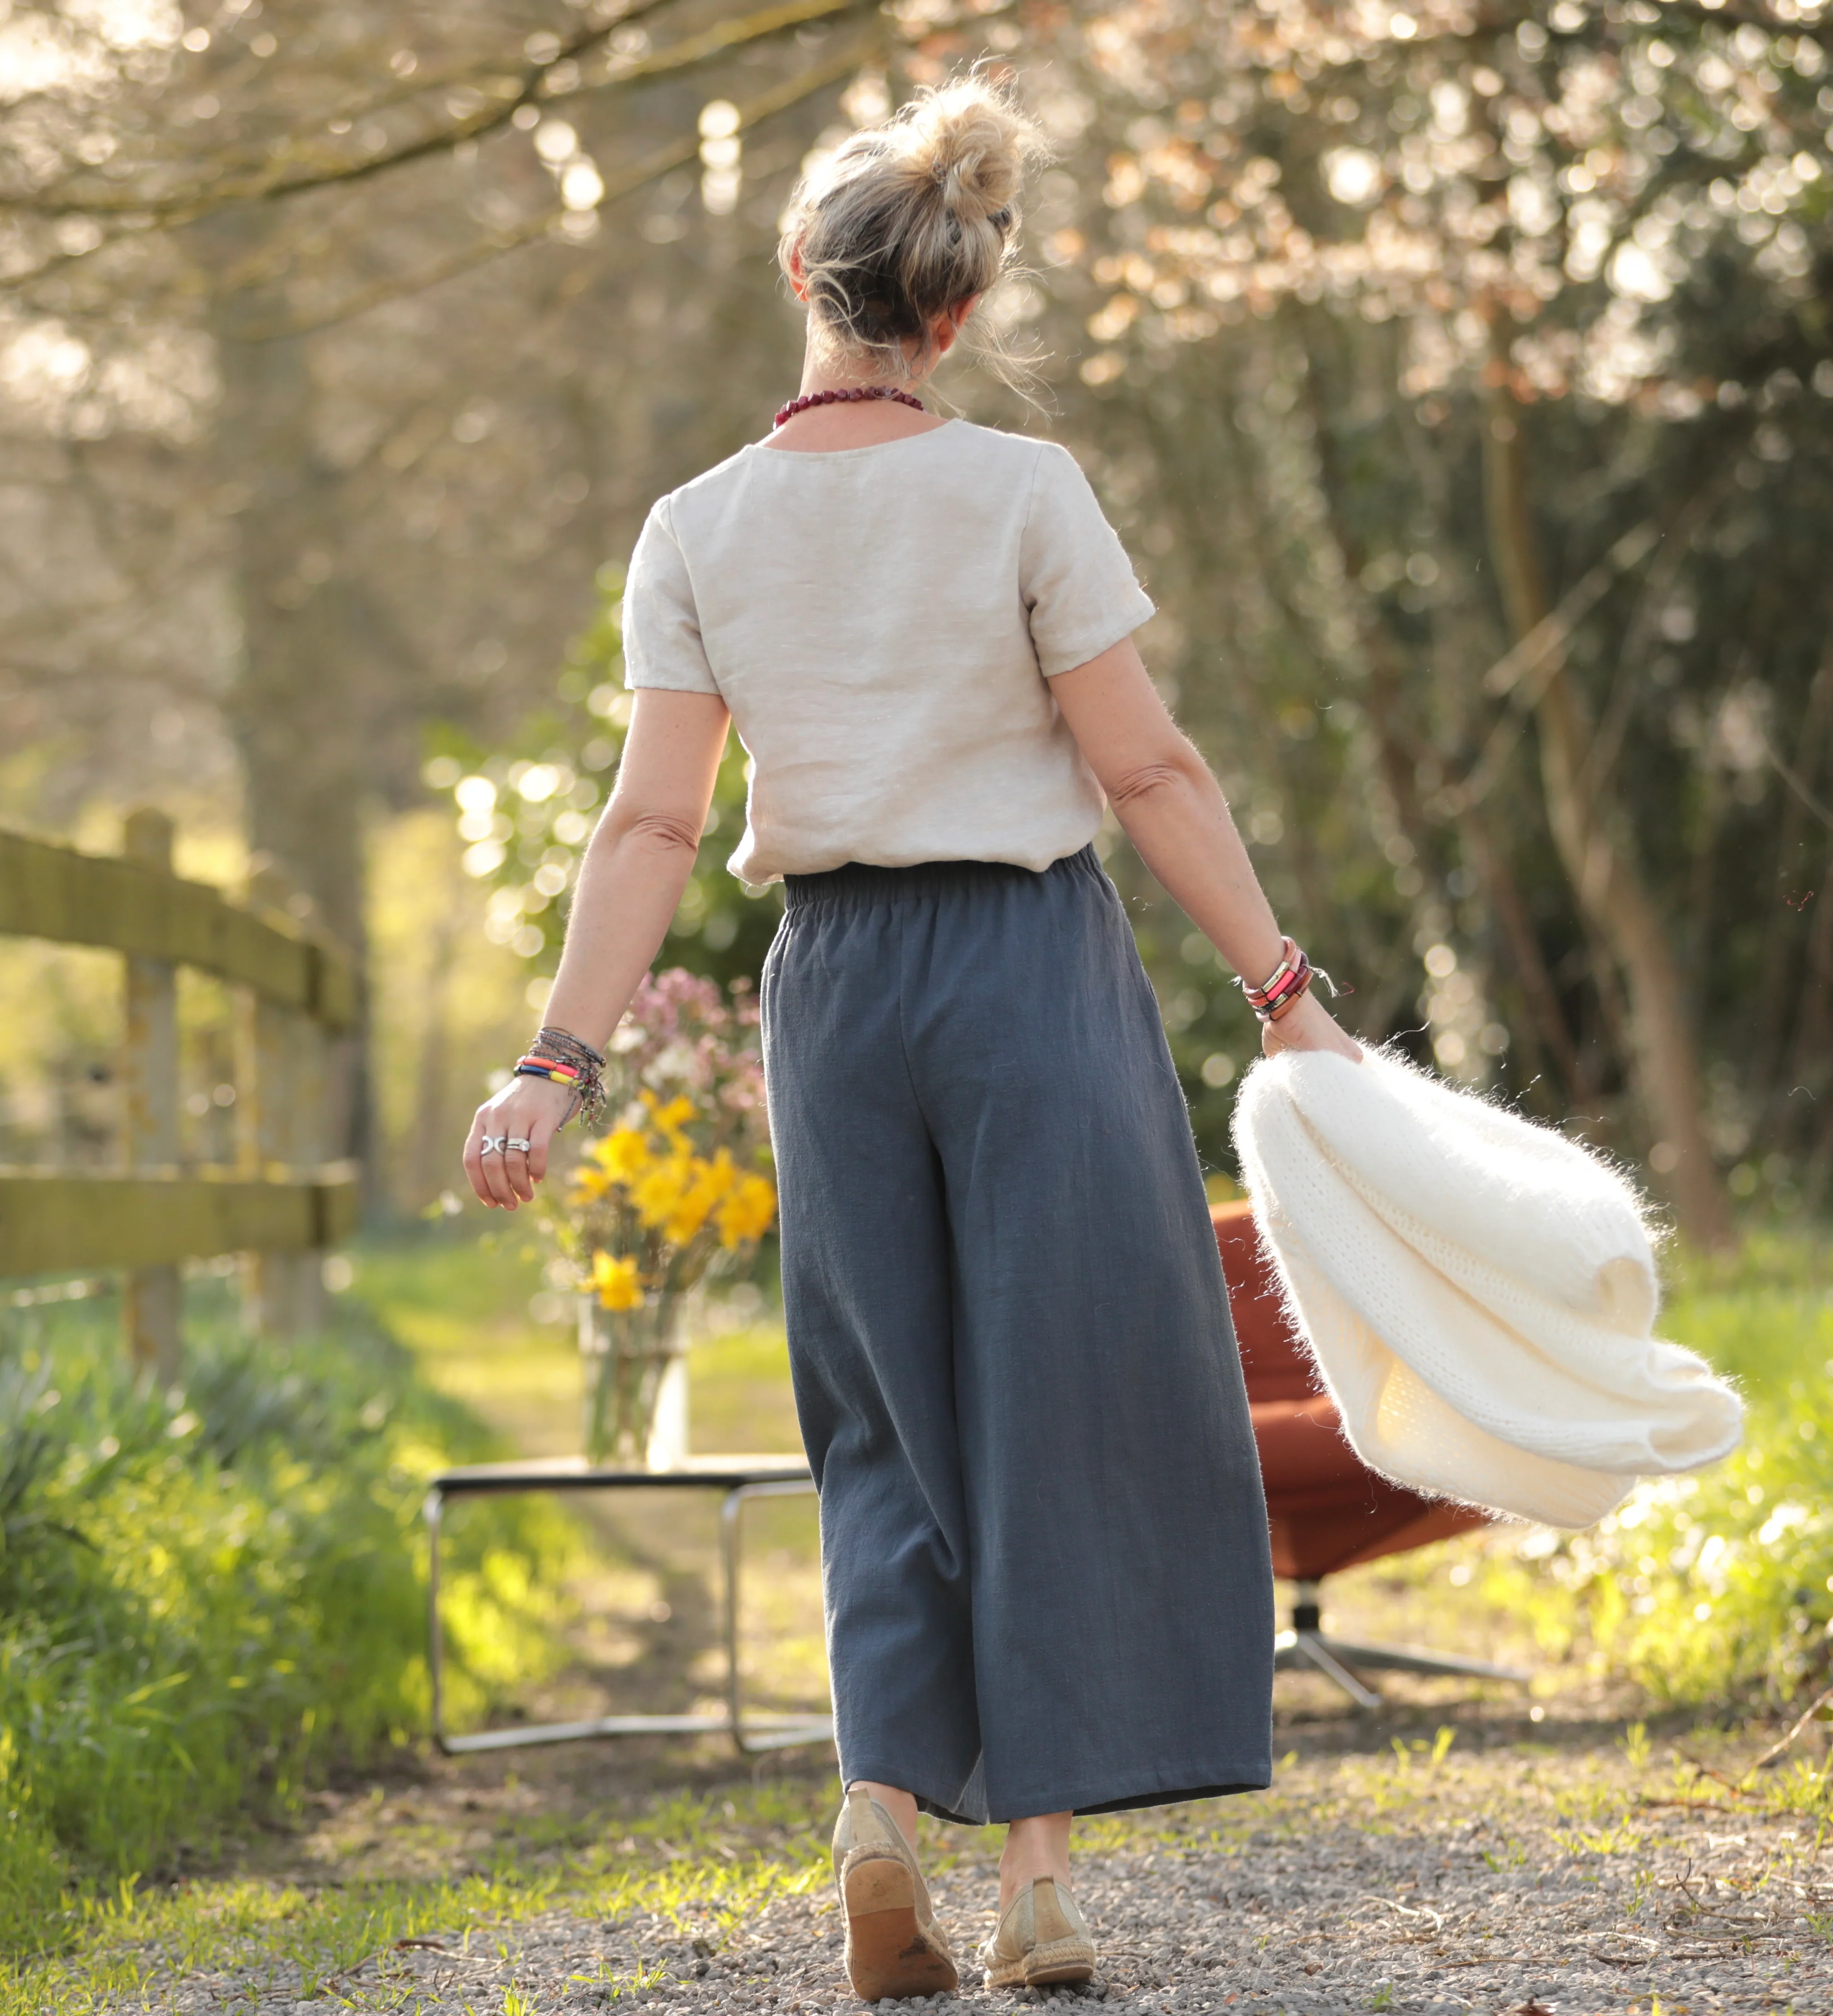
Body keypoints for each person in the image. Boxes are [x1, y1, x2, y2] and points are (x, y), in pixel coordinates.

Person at [462, 72, 1361, 2004]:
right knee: (1065, 1397)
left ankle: (881, 1810)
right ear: (954, 310)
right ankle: (1037, 1881)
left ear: (800, 270)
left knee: (876, 1418)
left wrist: (558, 1057)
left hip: (838, 989)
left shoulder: (696, 525)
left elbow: (649, 825)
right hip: (1026, 970)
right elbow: (1146, 767)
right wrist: (1288, 998)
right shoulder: (1022, 492)